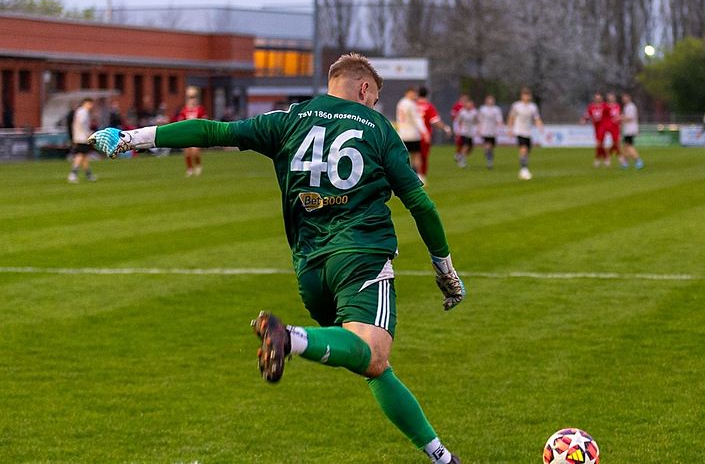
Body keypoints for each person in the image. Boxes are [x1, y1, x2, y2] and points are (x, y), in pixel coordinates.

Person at [88, 53, 464, 464]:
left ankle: (442, 457)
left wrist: (130, 138)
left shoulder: (288, 119)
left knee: (371, 363)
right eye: (374, 100)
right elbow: (420, 205)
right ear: (364, 89)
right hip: (360, 255)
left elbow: (213, 131)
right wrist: (444, 269)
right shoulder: (377, 128)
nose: (374, 107)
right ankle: (291, 338)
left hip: (310, 269)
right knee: (370, 352)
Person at [507, 87, 545, 180]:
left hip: (528, 131)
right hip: (519, 131)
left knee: (527, 151)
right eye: (525, 95)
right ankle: (524, 169)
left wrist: (540, 126)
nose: (526, 97)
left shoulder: (533, 107)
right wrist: (510, 128)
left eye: (528, 95)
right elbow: (511, 117)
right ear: (521, 96)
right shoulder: (516, 106)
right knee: (523, 149)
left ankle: (523, 168)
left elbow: (536, 118)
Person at [415, 87, 451, 180]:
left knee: (413, 156)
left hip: (412, 135)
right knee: (423, 156)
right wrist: (445, 128)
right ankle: (421, 176)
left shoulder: (412, 105)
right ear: (427, 95)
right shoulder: (428, 106)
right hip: (424, 136)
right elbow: (435, 121)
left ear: (417, 94)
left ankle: (412, 176)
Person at [173, 86, 208, 176]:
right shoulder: (184, 110)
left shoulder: (200, 109)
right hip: (187, 133)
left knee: (195, 152)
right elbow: (180, 121)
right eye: (190, 97)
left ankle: (198, 166)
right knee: (187, 152)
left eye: (193, 97)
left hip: (196, 133)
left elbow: (204, 121)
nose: (192, 100)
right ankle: (190, 169)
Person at [396, 87, 427, 181]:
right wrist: (424, 131)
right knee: (416, 155)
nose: (414, 95)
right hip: (412, 134)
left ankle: (403, 176)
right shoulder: (411, 104)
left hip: (402, 134)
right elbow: (416, 119)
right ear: (407, 93)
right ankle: (419, 176)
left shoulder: (400, 103)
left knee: (404, 156)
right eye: (412, 93)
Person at [67, 98, 97, 183]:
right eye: (90, 104)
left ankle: (88, 174)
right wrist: (88, 133)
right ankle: (73, 174)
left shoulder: (80, 111)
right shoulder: (83, 112)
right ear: (86, 103)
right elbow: (81, 123)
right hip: (82, 137)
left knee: (84, 156)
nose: (91, 106)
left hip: (80, 136)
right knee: (80, 155)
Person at [581, 92, 608, 167]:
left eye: (599, 98)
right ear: (594, 99)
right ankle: (606, 158)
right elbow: (587, 115)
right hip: (596, 127)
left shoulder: (605, 106)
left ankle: (597, 159)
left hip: (603, 126)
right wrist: (584, 120)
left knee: (598, 143)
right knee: (601, 144)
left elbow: (610, 115)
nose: (598, 99)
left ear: (601, 99)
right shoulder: (591, 106)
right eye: (596, 98)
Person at [477, 95, 503, 169]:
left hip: (493, 131)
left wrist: (500, 127)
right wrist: (479, 129)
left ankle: (489, 156)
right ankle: (489, 160)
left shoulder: (496, 109)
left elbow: (499, 119)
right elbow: (479, 120)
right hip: (485, 130)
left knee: (491, 146)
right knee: (487, 145)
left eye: (492, 100)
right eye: (489, 100)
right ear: (486, 101)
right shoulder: (482, 109)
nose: (490, 101)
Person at [620, 93, 644, 170]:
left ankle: (638, 160)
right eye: (623, 98)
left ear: (629, 98)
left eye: (625, 98)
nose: (624, 100)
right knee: (626, 147)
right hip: (628, 129)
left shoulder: (631, 107)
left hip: (630, 130)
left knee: (629, 146)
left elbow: (630, 118)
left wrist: (620, 118)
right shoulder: (627, 106)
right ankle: (625, 162)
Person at [453, 98, 478, 168]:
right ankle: (462, 161)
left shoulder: (474, 112)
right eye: (468, 104)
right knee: (465, 146)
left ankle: (459, 156)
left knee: (470, 148)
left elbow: (476, 121)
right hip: (464, 132)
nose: (469, 106)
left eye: (471, 105)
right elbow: (457, 121)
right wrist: (458, 130)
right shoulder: (462, 112)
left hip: (471, 132)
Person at [604, 91, 623, 165]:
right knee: (608, 144)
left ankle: (619, 156)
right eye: (610, 98)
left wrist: (620, 123)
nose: (611, 99)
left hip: (616, 127)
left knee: (617, 143)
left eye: (612, 98)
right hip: (607, 127)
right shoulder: (605, 106)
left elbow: (619, 115)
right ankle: (607, 158)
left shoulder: (617, 106)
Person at [450, 93, 468, 160]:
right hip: (457, 124)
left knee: (465, 141)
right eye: (463, 98)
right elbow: (453, 115)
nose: (465, 100)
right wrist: (456, 124)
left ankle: (460, 154)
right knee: (459, 140)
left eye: (466, 99)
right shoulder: (456, 106)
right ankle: (458, 153)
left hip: (466, 125)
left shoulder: (467, 106)